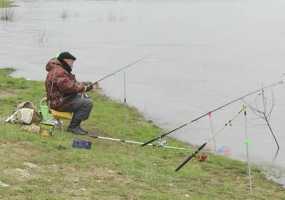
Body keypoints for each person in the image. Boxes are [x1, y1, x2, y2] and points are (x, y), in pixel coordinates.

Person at [45, 52, 94, 135]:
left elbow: (71, 84)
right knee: (87, 103)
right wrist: (84, 88)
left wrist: (83, 86)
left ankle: (76, 125)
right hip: (58, 103)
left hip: (58, 99)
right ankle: (73, 127)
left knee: (85, 98)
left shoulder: (59, 69)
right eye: (72, 62)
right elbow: (68, 88)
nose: (72, 65)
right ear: (66, 60)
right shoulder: (59, 72)